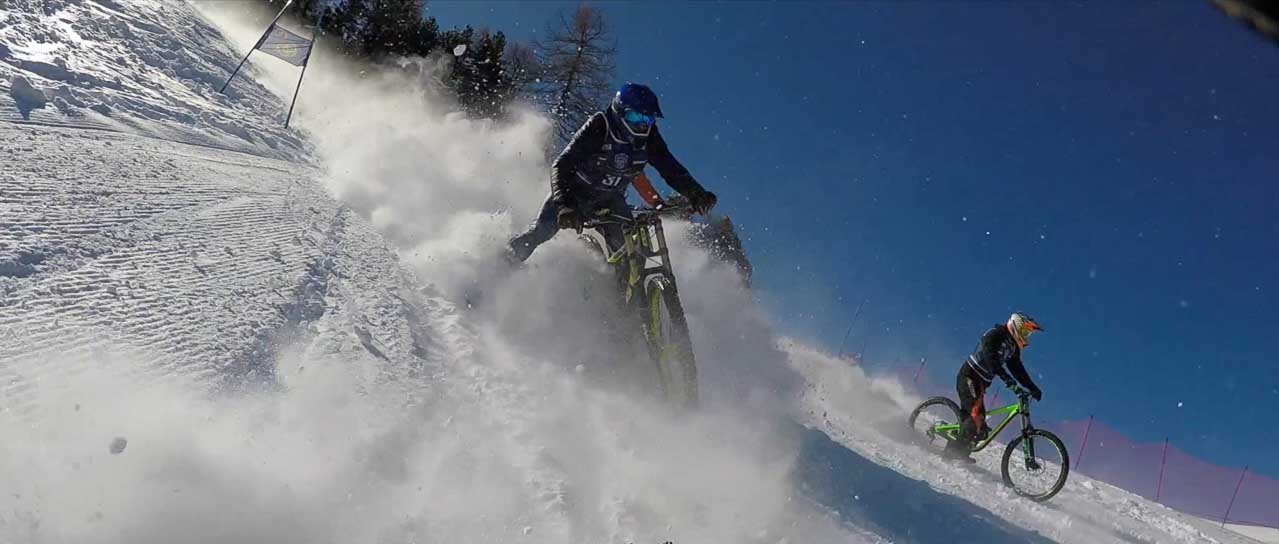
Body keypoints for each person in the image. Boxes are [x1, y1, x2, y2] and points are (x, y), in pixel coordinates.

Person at [508, 83, 717, 263]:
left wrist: (696, 193)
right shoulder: (601, 125)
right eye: (635, 117)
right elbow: (562, 164)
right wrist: (564, 205)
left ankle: (624, 300)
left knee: (628, 250)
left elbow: (669, 167)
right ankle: (502, 262)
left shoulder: (649, 137)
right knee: (541, 232)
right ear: (620, 111)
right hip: (574, 193)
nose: (642, 125)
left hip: (610, 200)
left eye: (648, 120)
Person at [944, 312, 1044, 462]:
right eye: (1025, 331)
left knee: (982, 430)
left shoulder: (1012, 348)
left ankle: (961, 446)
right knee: (974, 420)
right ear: (1014, 325)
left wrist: (1032, 387)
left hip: (981, 385)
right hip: (969, 377)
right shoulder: (995, 334)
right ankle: (952, 453)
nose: (1026, 336)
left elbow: (1017, 370)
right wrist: (1007, 380)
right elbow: (991, 359)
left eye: (1028, 334)